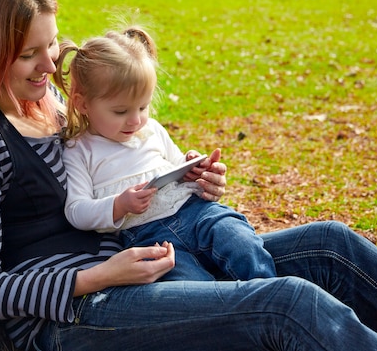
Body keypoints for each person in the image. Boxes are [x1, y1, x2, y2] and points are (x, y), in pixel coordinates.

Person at [0, 0, 377, 351]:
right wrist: (100, 276)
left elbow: (119, 167)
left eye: (51, 44)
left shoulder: (56, 104)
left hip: (150, 252)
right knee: (288, 303)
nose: (51, 65)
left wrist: (188, 182)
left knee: (331, 246)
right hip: (77, 311)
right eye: (28, 54)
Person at [54, 26, 276, 282]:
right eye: (120, 112)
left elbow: (176, 166)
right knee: (191, 285)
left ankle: (268, 291)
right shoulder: (79, 150)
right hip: (147, 238)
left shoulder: (152, 131)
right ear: (83, 104)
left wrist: (191, 166)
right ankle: (232, 311)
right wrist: (119, 205)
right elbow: (77, 210)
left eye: (143, 107)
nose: (135, 120)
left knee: (238, 239)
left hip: (196, 212)